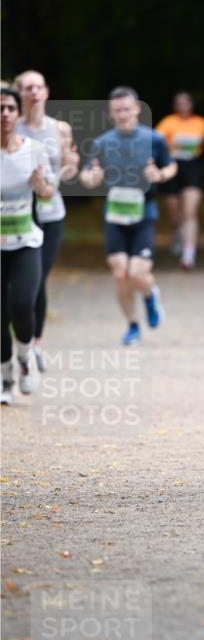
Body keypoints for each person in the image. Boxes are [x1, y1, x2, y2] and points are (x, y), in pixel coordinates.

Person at [79, 86, 176, 345]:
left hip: (144, 212)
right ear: (111, 114)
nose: (123, 114)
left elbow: (170, 166)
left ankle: (150, 295)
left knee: (137, 274)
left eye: (127, 108)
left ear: (136, 109)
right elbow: (87, 174)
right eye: (117, 110)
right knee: (120, 273)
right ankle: (132, 325)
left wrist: (160, 175)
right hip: (115, 214)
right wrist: (92, 178)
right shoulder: (102, 143)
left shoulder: (154, 139)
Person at [15, 69, 79, 372]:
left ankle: (36, 343)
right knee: (21, 285)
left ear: (47, 92)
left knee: (38, 279)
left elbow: (69, 169)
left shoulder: (60, 129)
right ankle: (24, 341)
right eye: (28, 88)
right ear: (19, 93)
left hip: (52, 214)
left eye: (38, 87)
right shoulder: (10, 127)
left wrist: (67, 170)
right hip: (18, 215)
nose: (34, 93)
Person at [1, 87, 54, 404]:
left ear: (17, 114)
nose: (4, 113)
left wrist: (40, 185)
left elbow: (48, 193)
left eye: (9, 107)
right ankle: (5, 378)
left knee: (22, 305)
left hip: (25, 242)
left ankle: (25, 356)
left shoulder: (34, 149)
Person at [155, 92, 204, 270]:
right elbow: (156, 142)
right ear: (175, 105)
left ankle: (188, 254)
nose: (183, 105)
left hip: (192, 168)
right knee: (175, 213)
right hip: (172, 168)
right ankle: (177, 232)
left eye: (186, 102)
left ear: (191, 104)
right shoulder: (168, 122)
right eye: (179, 103)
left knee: (190, 212)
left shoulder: (201, 123)